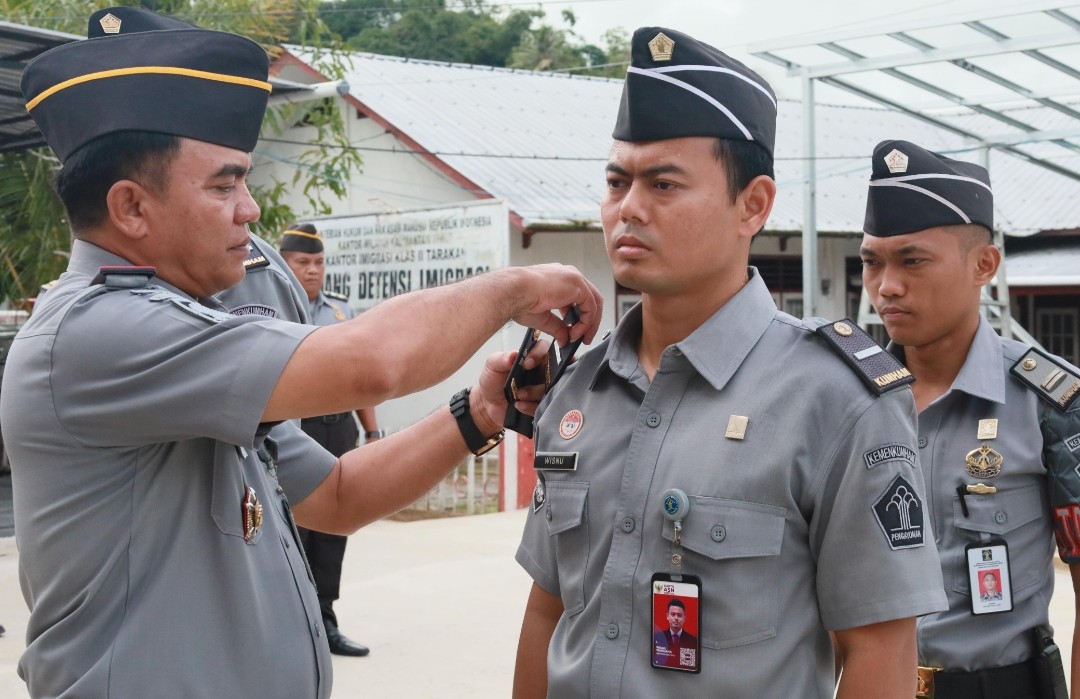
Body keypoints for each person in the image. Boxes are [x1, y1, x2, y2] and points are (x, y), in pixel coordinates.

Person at [2, 7, 602, 698]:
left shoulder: (179, 343)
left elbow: (337, 496)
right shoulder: (98, 333)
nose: (250, 211)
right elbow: (370, 363)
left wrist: (478, 412)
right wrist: (517, 285)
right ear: (132, 208)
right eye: (224, 185)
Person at [512, 27, 946, 699]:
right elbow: (548, 610)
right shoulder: (580, 389)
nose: (629, 208)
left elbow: (880, 648)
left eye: (662, 183)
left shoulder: (835, 398)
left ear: (754, 205)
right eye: (616, 181)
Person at [859, 139, 1080, 699]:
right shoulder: (847, 399)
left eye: (912, 260)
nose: (887, 285)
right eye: (871, 262)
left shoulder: (1050, 404)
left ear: (983, 265)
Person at [280, 222, 380, 657]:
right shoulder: (271, 308)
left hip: (336, 427)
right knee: (293, 528)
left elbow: (360, 378)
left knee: (334, 528)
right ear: (285, 263)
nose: (312, 270)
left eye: (319, 263)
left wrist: (373, 431)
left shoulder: (340, 312)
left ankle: (325, 621)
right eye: (303, 262)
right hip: (291, 427)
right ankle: (288, 625)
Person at [652, 599, 697, 669]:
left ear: (684, 618)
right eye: (673, 614)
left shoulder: (693, 641)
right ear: (667, 616)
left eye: (679, 615)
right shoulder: (657, 637)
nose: (676, 618)